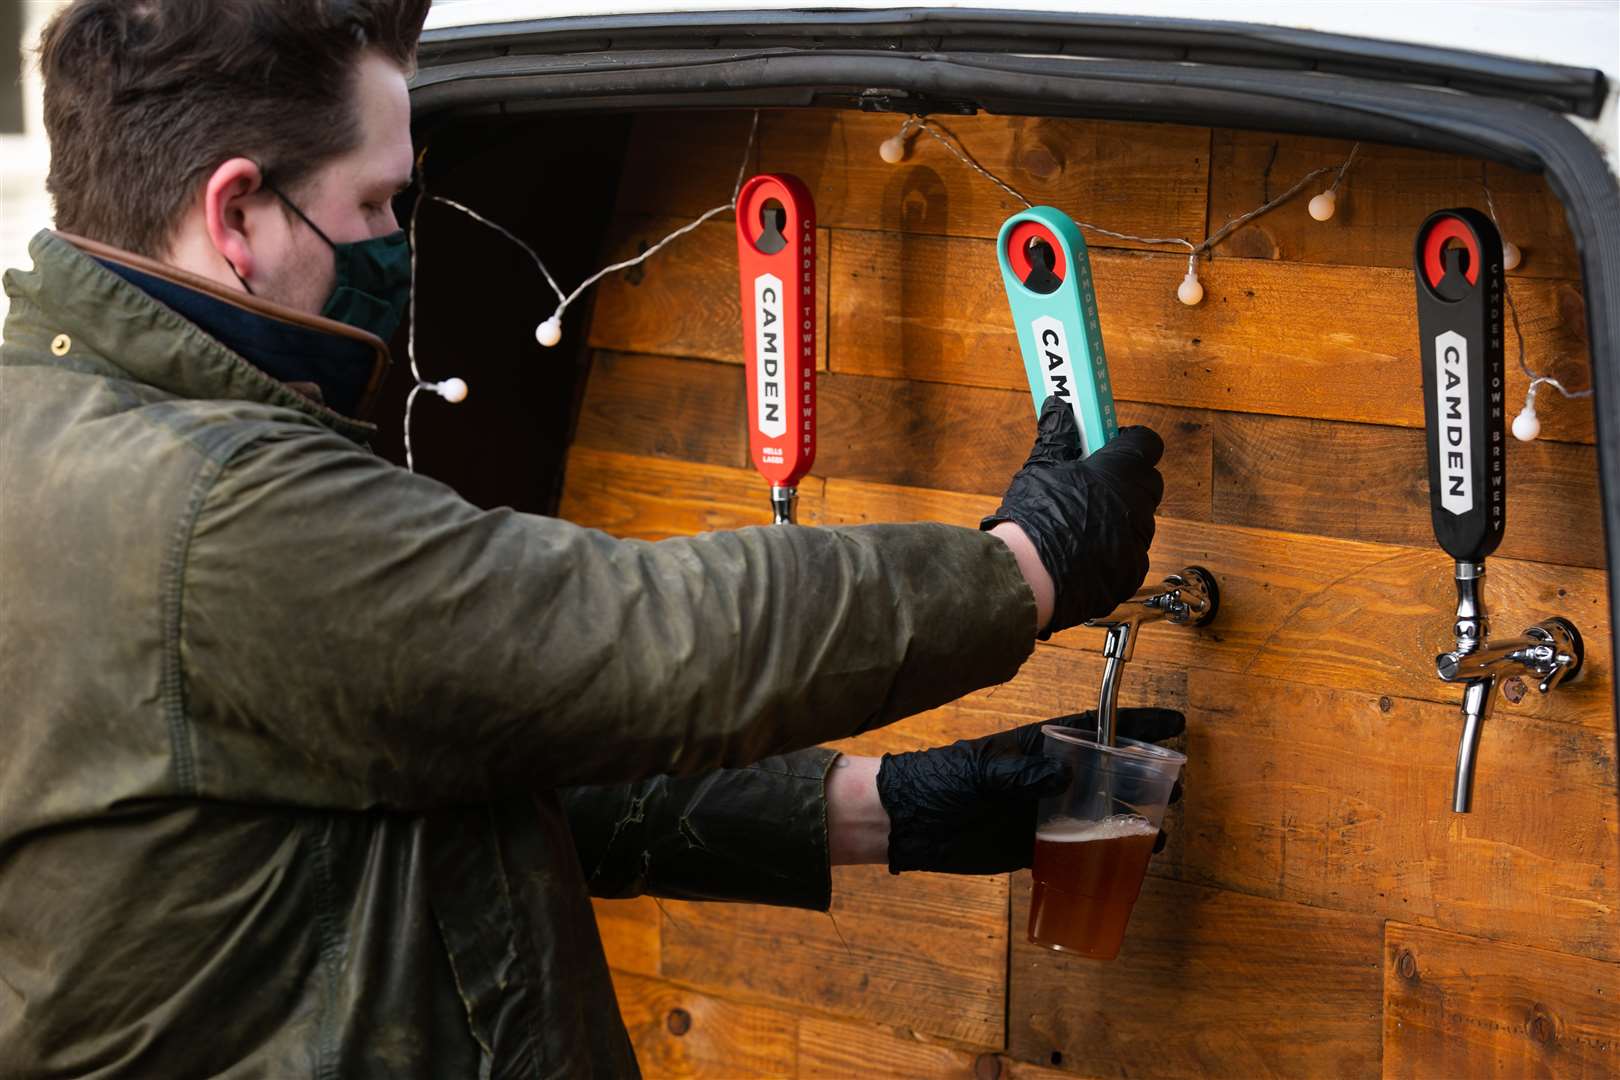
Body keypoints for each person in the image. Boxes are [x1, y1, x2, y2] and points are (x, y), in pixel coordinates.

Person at [0, 1, 1179, 1075]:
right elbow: (637, 639)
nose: (395, 245)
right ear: (238, 212)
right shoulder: (217, 506)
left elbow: (458, 751)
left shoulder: (53, 428)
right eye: (374, 204)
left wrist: (886, 807)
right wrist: (1024, 565)